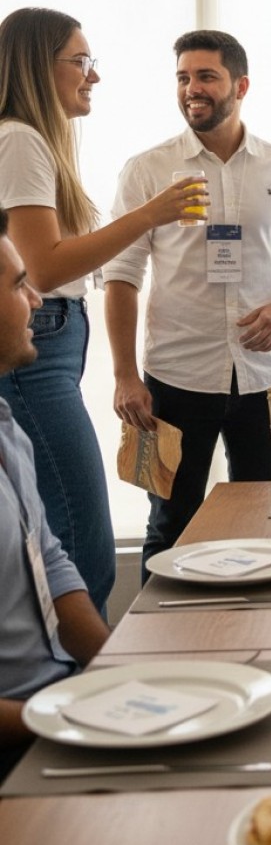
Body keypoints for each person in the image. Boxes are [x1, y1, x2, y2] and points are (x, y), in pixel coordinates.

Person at [103, 30, 271, 575]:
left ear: (241, 86)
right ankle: (161, 629)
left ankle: (256, 621)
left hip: (265, 380)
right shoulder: (147, 169)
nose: (192, 89)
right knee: (171, 524)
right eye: (183, 78)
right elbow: (121, 276)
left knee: (268, 520)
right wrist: (124, 375)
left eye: (206, 76)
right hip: (175, 378)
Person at [0, 8, 201, 612]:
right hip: (37, 351)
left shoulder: (33, 140)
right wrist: (149, 215)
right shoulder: (20, 140)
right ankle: (75, 671)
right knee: (82, 545)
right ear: (38, 66)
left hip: (51, 346)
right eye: (81, 61)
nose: (94, 75)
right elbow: (44, 268)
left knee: (69, 537)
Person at [0, 206, 110, 775]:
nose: (38, 300)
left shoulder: (7, 427)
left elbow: (49, 560)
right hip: (21, 739)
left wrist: (120, 672)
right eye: (19, 285)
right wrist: (65, 722)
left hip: (56, 701)